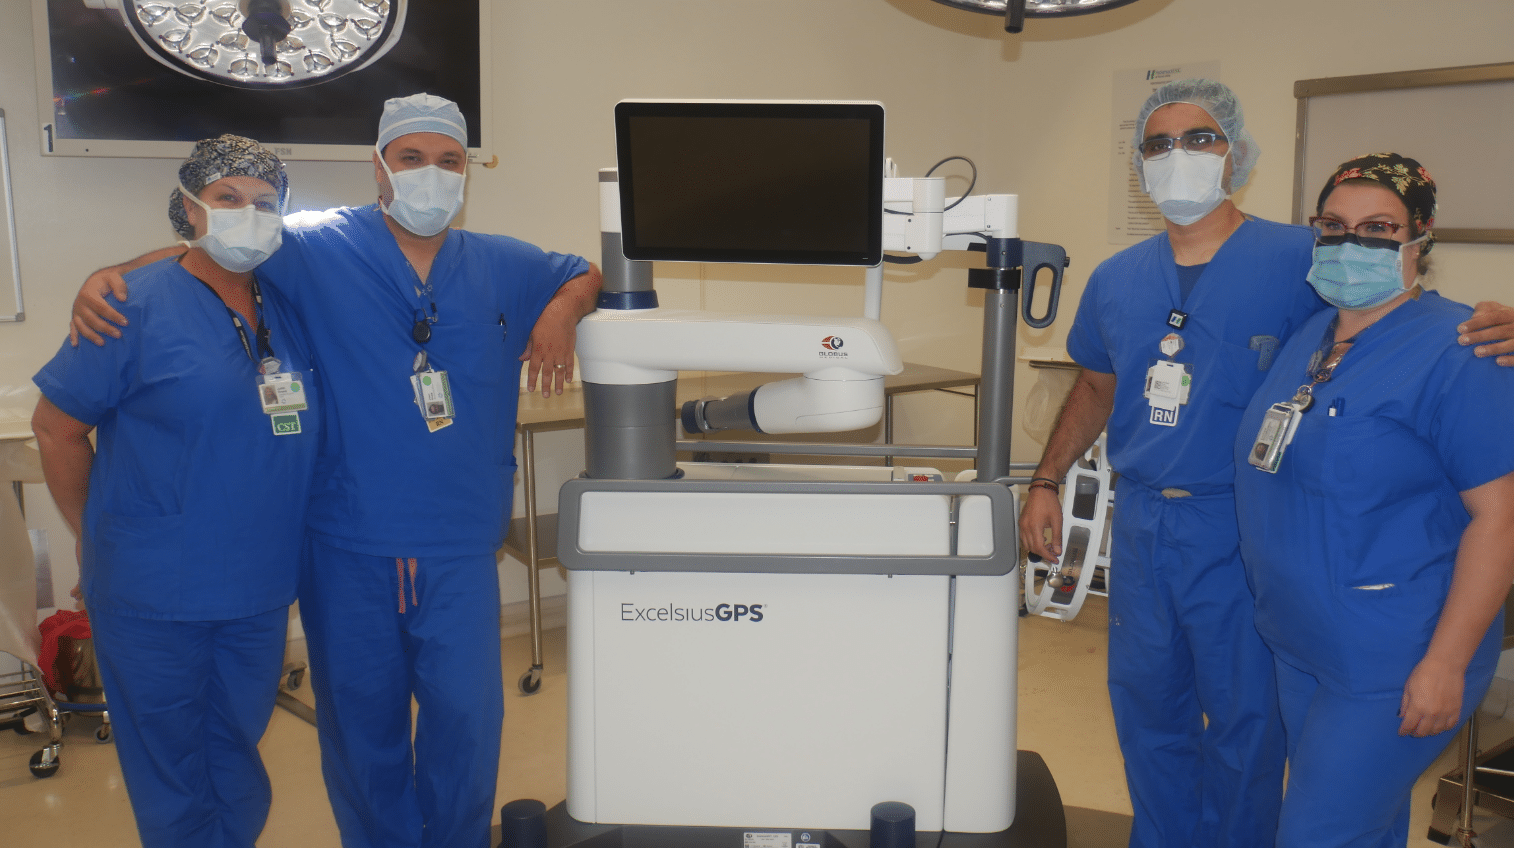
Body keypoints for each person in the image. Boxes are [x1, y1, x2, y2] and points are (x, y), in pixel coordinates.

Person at [69, 95, 602, 848]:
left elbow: (585, 270)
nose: (431, 175)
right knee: (361, 724)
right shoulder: (314, 245)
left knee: (465, 721)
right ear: (378, 166)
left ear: (468, 171)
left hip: (456, 542)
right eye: (411, 157)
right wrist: (107, 275)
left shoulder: (504, 263)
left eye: (449, 160)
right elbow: (213, 251)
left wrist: (561, 311)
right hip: (345, 541)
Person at [1017, 79, 1513, 848]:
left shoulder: (1299, 259)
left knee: (1248, 729)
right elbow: (1094, 383)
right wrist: (1046, 479)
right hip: (1148, 520)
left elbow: (1404, 327)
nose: (1176, 158)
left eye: (1200, 138)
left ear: (1237, 154)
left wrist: (1502, 322)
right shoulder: (1117, 278)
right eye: (1156, 144)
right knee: (1147, 711)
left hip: (1243, 527)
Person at [31, 136, 318, 848]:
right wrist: (91, 536)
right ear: (189, 209)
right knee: (171, 762)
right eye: (227, 199)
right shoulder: (128, 305)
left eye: (264, 202)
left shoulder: (289, 302)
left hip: (256, 582)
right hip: (153, 587)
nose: (248, 214)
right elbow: (56, 430)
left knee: (233, 744)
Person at [1234, 153, 1511, 848]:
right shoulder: (1314, 333)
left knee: (1315, 835)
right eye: (1332, 225)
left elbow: (1501, 519)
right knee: (1368, 824)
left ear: (1419, 237)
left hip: (1392, 657)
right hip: (1300, 642)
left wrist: (1444, 664)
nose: (1350, 243)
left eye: (1378, 228)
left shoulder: (1460, 352)